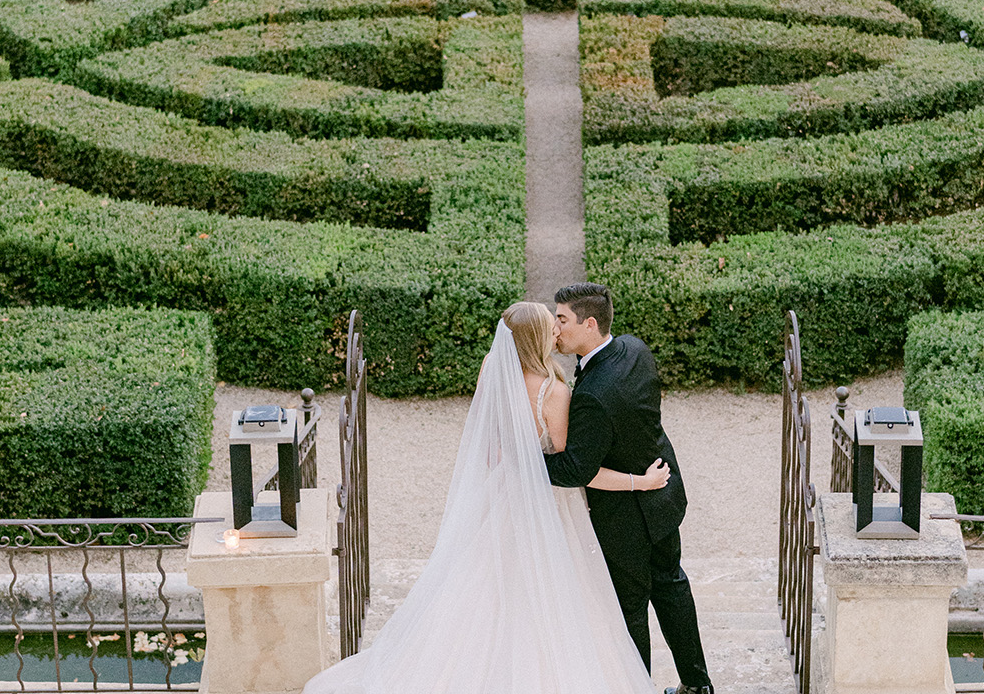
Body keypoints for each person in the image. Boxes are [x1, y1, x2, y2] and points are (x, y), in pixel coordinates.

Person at [303, 301, 666, 694]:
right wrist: (638, 482)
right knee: (555, 592)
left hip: (501, 493)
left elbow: (492, 445)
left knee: (480, 589)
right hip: (547, 506)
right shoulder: (554, 391)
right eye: (551, 328)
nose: (557, 333)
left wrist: (514, 463)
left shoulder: (493, 367)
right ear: (538, 339)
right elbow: (572, 469)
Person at [544, 283, 714, 694]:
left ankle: (636, 687)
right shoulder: (635, 349)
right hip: (662, 494)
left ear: (588, 323)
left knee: (631, 608)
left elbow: (574, 469)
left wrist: (522, 458)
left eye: (562, 319)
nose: (555, 328)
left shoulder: (595, 396)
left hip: (624, 518)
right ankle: (698, 686)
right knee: (672, 587)